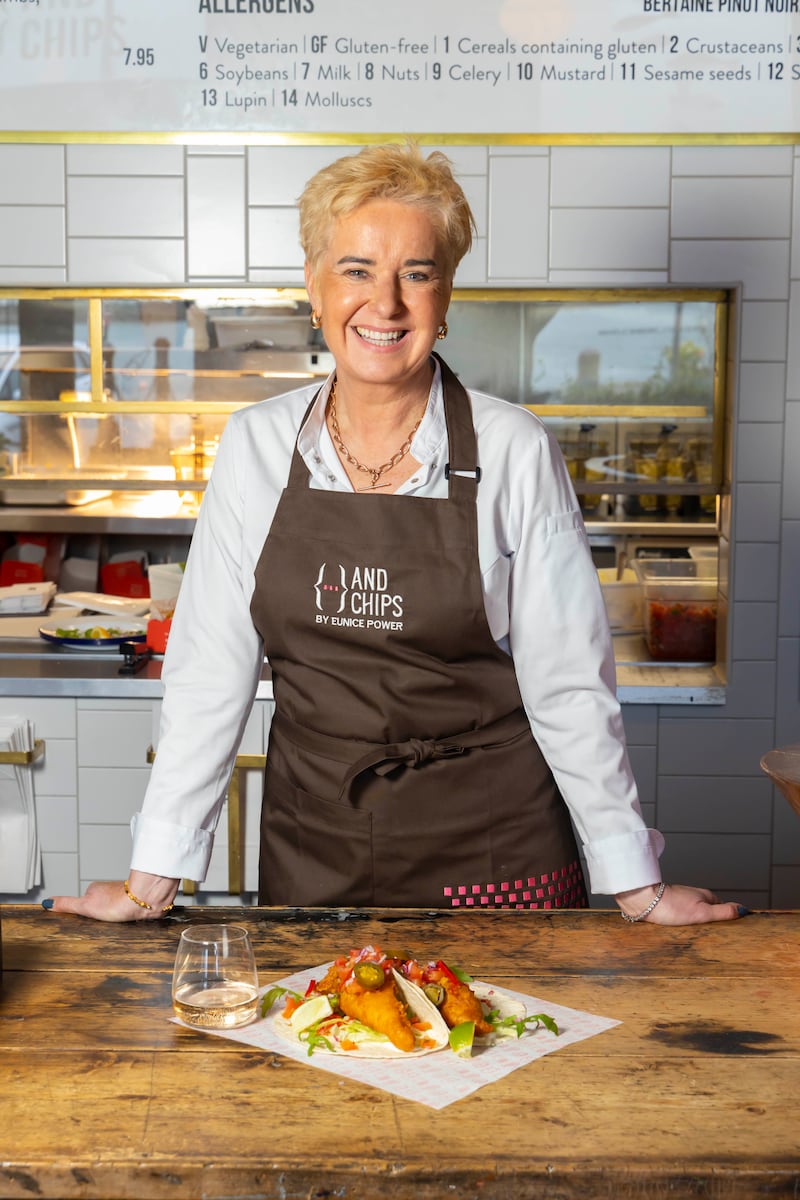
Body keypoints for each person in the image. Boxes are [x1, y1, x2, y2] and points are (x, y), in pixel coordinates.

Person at [46, 143, 745, 926]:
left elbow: (570, 689)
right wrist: (153, 879)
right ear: (312, 286)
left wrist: (637, 886)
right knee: (320, 1034)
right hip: (319, 844)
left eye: (416, 272)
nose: (385, 303)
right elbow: (211, 674)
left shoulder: (513, 448)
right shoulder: (256, 446)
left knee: (521, 1039)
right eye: (355, 270)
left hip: (495, 852)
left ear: (445, 299)